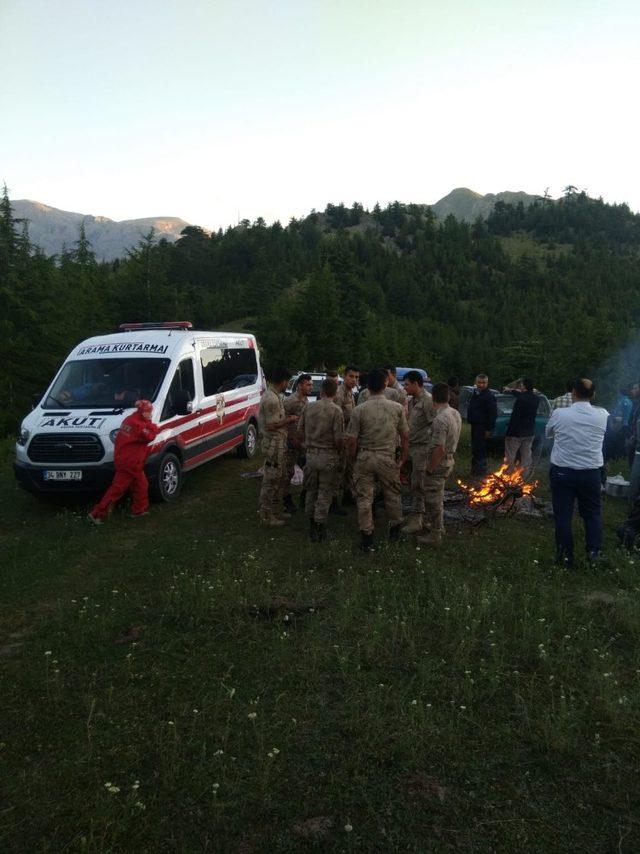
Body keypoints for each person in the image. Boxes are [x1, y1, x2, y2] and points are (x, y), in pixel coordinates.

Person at [545, 378, 609, 567]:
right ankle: (594, 554)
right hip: (591, 473)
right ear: (593, 395)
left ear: (573, 393)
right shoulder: (603, 415)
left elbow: (549, 433)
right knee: (592, 514)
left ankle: (565, 557)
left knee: (563, 515)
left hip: (563, 472)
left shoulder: (559, 413)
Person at [345, 368, 409, 553]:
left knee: (364, 497)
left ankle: (367, 538)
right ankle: (395, 531)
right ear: (385, 384)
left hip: (364, 457)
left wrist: (353, 458)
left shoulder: (359, 410)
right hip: (387, 457)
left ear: (367, 387)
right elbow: (405, 435)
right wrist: (403, 458)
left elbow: (351, 439)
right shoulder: (396, 409)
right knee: (393, 494)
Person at [89, 399, 160, 524]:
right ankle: (98, 514)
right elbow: (150, 436)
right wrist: (152, 426)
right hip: (131, 462)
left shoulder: (130, 419)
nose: (150, 415)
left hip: (125, 459)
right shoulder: (139, 426)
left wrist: (149, 424)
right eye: (149, 412)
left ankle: (138, 511)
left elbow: (147, 427)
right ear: (142, 412)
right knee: (118, 488)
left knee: (140, 485)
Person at [297, 378, 345, 541]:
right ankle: (320, 526)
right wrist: (340, 453)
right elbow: (339, 438)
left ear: (322, 390)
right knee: (325, 492)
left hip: (311, 455)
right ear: (335, 392)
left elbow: (300, 431)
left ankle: (312, 525)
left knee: (311, 490)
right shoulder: (336, 411)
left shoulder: (308, 407)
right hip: (328, 456)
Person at [417, 382, 462, 546]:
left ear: (433, 398)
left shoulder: (440, 419)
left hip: (439, 463)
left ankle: (435, 534)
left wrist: (429, 468)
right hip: (449, 460)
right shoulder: (455, 413)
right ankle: (437, 526)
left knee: (433, 499)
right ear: (448, 396)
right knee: (438, 495)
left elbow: (439, 449)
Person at [257, 366, 298, 526]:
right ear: (283, 381)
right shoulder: (271, 399)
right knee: (270, 481)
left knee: (277, 479)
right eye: (287, 381)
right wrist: (289, 420)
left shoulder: (275, 395)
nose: (288, 384)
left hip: (278, 444)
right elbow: (271, 425)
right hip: (273, 445)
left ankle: (274, 511)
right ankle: (266, 515)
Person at [401, 370, 435, 534]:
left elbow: (434, 424)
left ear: (416, 384)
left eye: (406, 384)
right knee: (411, 482)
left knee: (419, 484)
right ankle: (419, 516)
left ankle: (418, 520)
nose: (404, 387)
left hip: (422, 449)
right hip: (412, 447)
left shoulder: (428, 401)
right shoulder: (414, 400)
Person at [282, 373, 312, 513]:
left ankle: (304, 496)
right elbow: (283, 420)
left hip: (302, 441)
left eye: (311, 384)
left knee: (308, 468)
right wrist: (290, 438)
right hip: (290, 441)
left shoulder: (306, 400)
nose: (310, 387)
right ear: (299, 385)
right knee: (288, 471)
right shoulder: (291, 401)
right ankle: (285, 498)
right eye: (308, 384)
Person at [502, 377, 540, 478]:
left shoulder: (521, 399)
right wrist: (512, 391)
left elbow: (515, 417)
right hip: (529, 432)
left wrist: (509, 432)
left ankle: (508, 475)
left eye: (522, 384)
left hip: (516, 432)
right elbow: (523, 394)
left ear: (524, 386)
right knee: (526, 455)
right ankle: (525, 475)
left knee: (510, 455)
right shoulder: (536, 398)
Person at [335, 365, 360, 506]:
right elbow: (336, 418)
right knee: (339, 469)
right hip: (341, 438)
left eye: (356, 377)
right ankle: (333, 501)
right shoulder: (340, 393)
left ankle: (347, 495)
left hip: (349, 437)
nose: (354, 380)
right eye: (351, 376)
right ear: (344, 376)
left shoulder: (350, 393)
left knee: (348, 469)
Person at [466, 374, 497, 476]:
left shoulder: (489, 396)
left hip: (482, 427)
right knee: (475, 449)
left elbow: (492, 414)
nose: (481, 385)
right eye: (479, 382)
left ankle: (480, 472)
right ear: (476, 382)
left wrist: (488, 429)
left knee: (480, 450)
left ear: (487, 383)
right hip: (475, 426)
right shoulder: (476, 394)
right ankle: (474, 470)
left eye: (483, 383)